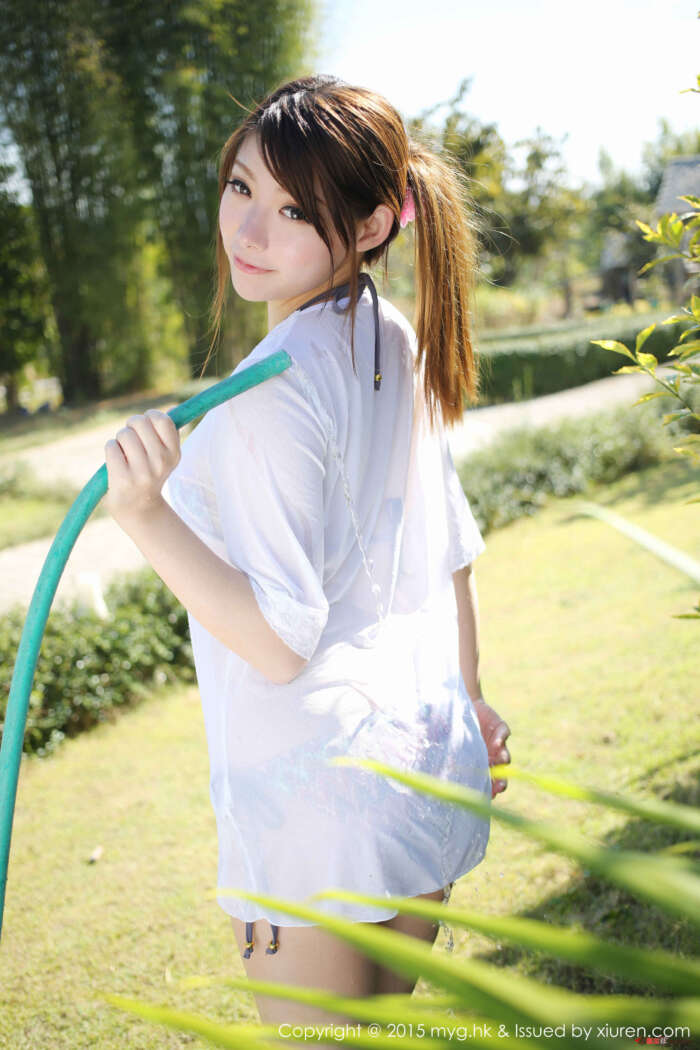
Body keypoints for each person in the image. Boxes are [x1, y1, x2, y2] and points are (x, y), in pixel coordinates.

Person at [103, 73, 511, 1029]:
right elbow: (452, 549)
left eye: (292, 210)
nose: (248, 231)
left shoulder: (269, 394)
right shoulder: (389, 335)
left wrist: (145, 515)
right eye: (241, 187)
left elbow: (281, 643)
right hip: (420, 764)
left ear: (370, 225)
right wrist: (471, 696)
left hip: (317, 808)